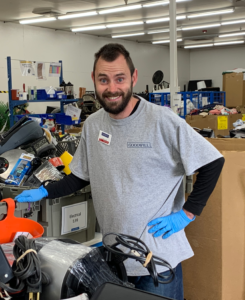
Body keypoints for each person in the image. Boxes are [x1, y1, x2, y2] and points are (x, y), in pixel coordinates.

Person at [16, 43, 224, 300]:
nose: (112, 88)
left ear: (134, 78)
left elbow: (213, 162)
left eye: (120, 78)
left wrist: (187, 214)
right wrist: (43, 191)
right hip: (114, 258)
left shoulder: (162, 121)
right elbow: (81, 175)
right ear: (94, 80)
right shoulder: (92, 125)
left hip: (157, 261)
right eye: (104, 79)